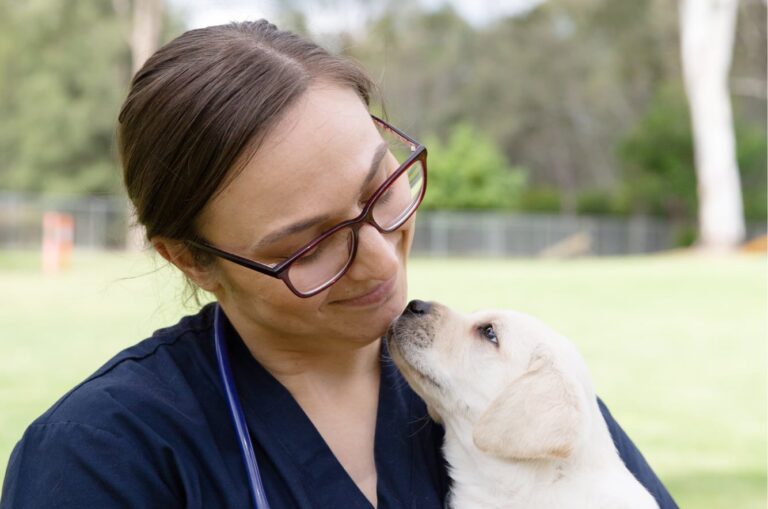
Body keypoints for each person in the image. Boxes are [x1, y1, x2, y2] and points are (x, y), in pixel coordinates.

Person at [1, 20, 678, 508]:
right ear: (192, 260)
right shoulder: (101, 457)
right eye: (307, 244)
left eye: (382, 188)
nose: (381, 259)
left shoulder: (498, 393)